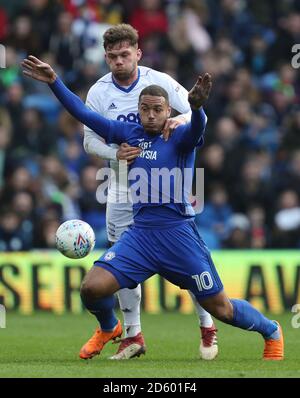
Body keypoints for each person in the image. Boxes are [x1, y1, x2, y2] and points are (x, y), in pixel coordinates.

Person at [22, 56, 284, 362]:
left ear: (168, 111)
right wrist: (54, 81)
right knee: (92, 288)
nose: (150, 115)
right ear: (138, 110)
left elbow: (198, 126)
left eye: (157, 109)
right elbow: (83, 113)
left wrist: (196, 108)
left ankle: (271, 330)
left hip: (178, 235)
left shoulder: (180, 137)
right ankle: (110, 327)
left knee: (222, 309)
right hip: (141, 235)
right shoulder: (128, 134)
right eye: (144, 109)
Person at [82, 24, 218, 360]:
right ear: (106, 57)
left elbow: (196, 112)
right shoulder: (98, 92)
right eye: (112, 56)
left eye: (125, 54)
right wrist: (115, 154)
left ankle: (207, 324)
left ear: (137, 53)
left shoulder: (159, 82)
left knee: (187, 261)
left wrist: (180, 121)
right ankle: (133, 335)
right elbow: (89, 141)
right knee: (121, 266)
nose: (118, 61)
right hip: (119, 187)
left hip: (165, 186)